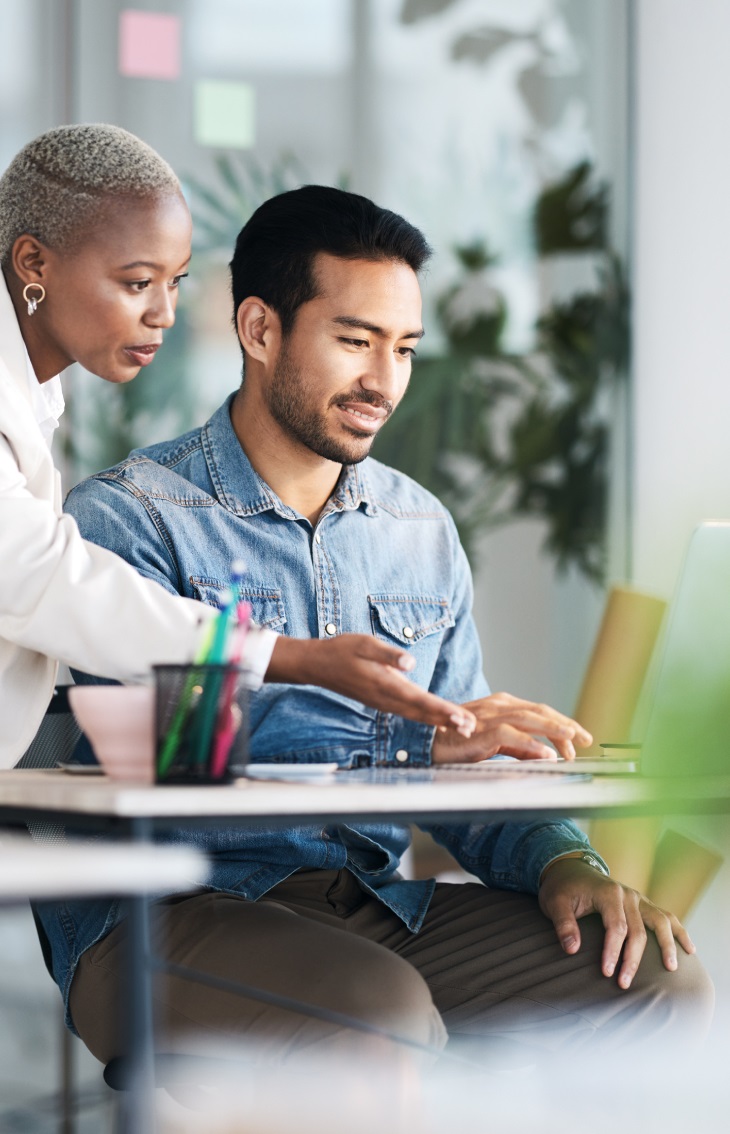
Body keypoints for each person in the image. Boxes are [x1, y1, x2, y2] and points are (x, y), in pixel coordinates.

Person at [42, 186, 712, 1068]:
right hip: (169, 911)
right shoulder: (131, 518)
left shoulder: (418, 529)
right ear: (259, 329)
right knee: (377, 1009)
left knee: (655, 979)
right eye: (355, 341)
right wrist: (412, 746)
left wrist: (567, 865)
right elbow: (175, 765)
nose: (384, 382)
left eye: (404, 349)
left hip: (370, 906)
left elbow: (473, 765)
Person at [0, 124, 481, 769]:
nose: (165, 314)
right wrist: (305, 665)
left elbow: (481, 752)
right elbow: (51, 586)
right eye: (138, 282)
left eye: (175, 281)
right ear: (34, 264)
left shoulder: (421, 527)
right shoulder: (133, 514)